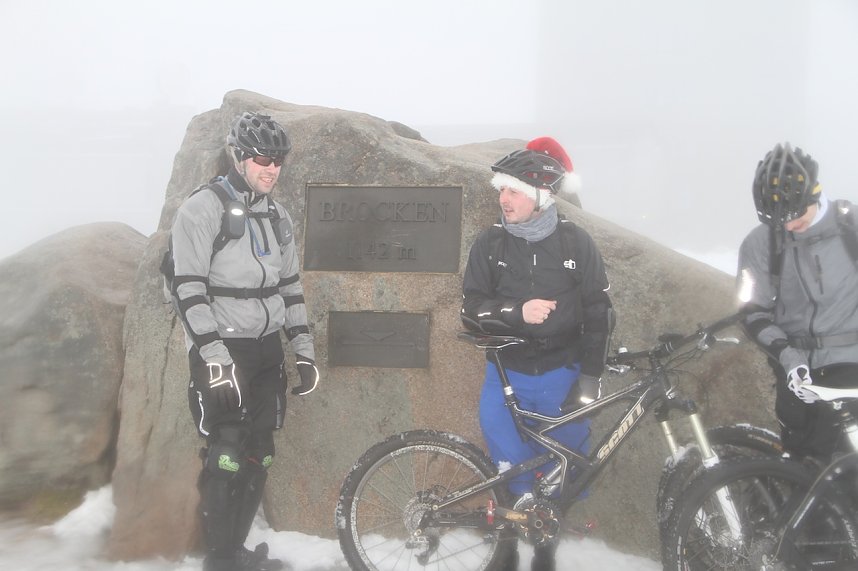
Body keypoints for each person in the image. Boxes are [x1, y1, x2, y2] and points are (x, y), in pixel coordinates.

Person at [168, 111, 319, 571]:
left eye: (277, 159)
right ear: (239, 156)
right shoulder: (202, 209)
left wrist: (304, 351)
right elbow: (188, 288)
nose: (270, 167)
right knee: (227, 452)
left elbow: (290, 287)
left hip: (266, 348)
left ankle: (235, 550)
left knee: (261, 452)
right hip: (223, 349)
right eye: (260, 158)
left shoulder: (278, 216)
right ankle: (219, 557)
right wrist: (213, 353)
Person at [461, 137, 614, 571]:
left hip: (560, 375)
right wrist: (516, 312)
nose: (502, 198)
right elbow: (471, 308)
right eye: (501, 190)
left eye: (512, 191)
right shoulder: (489, 244)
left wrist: (590, 377)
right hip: (506, 375)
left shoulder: (575, 244)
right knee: (509, 470)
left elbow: (599, 312)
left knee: (557, 473)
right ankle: (506, 550)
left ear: (540, 195)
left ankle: (545, 551)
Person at [738, 142, 858, 461]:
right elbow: (751, 311)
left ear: (813, 194)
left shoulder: (852, 228)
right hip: (796, 373)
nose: (789, 226)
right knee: (802, 468)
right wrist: (787, 356)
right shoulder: (759, 243)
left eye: (794, 214)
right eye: (778, 220)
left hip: (851, 367)